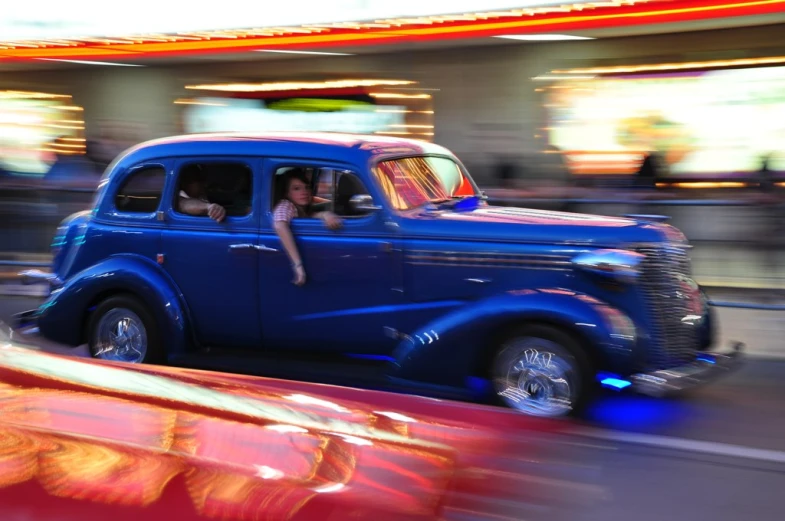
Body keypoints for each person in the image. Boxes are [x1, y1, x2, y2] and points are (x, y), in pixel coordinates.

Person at [273, 169, 342, 286]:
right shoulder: (286, 204)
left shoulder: (300, 207)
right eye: (296, 188)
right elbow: (280, 225)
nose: (304, 192)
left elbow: (311, 216)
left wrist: (326, 214)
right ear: (287, 193)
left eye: (306, 187)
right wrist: (297, 265)